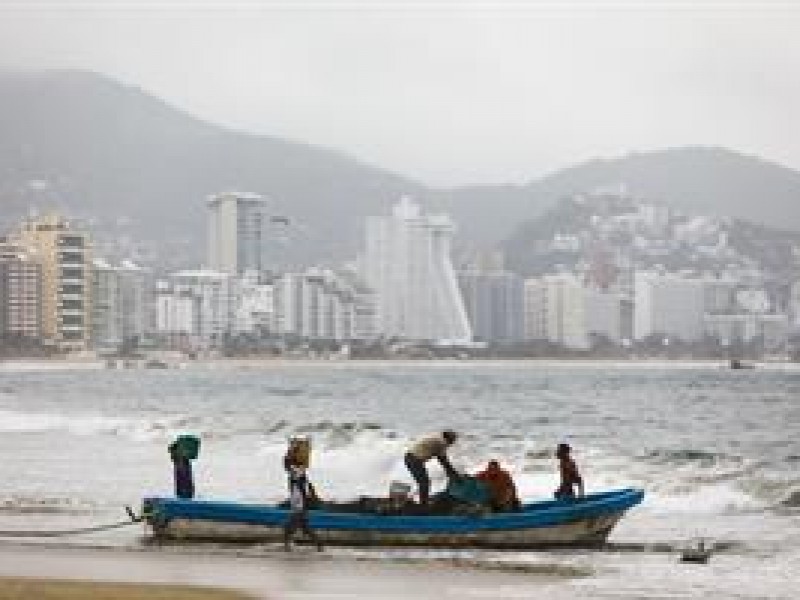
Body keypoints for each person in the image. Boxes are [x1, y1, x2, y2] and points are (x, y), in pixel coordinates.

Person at [404, 430, 459, 505]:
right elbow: (444, 463)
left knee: (423, 482)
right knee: (424, 483)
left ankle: (423, 502)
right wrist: (455, 476)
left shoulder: (438, 440)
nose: (453, 443)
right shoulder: (441, 443)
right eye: (453, 440)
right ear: (449, 439)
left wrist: (453, 475)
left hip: (411, 458)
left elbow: (445, 463)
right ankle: (423, 504)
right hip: (413, 459)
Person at [283, 464, 324, 552]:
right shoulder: (295, 483)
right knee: (306, 529)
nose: (291, 475)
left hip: (299, 509)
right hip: (299, 509)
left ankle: (287, 547)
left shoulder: (301, 483)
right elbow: (292, 476)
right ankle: (319, 545)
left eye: (293, 474)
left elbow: (298, 475)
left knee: (288, 527)